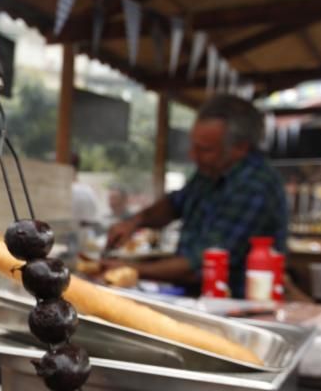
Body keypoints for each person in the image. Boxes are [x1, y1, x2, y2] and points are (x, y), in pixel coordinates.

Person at [105, 94, 287, 298]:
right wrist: (135, 221)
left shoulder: (256, 185)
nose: (193, 155)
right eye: (194, 146)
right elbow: (174, 204)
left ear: (240, 148)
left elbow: (198, 266)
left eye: (205, 149)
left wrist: (129, 268)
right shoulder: (210, 173)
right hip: (198, 299)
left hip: (238, 308)